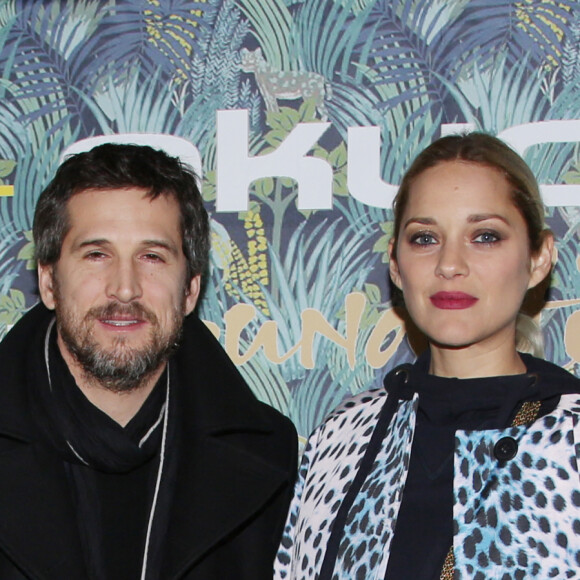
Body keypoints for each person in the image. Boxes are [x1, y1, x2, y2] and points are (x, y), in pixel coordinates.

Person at [275, 132, 580, 580]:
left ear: (538, 258)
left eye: (485, 236)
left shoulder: (571, 439)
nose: (450, 263)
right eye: (424, 238)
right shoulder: (343, 437)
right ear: (396, 265)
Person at [0, 143, 297, 579]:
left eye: (152, 257)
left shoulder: (266, 456)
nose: (124, 288)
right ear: (48, 282)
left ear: (191, 290)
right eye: (97, 254)